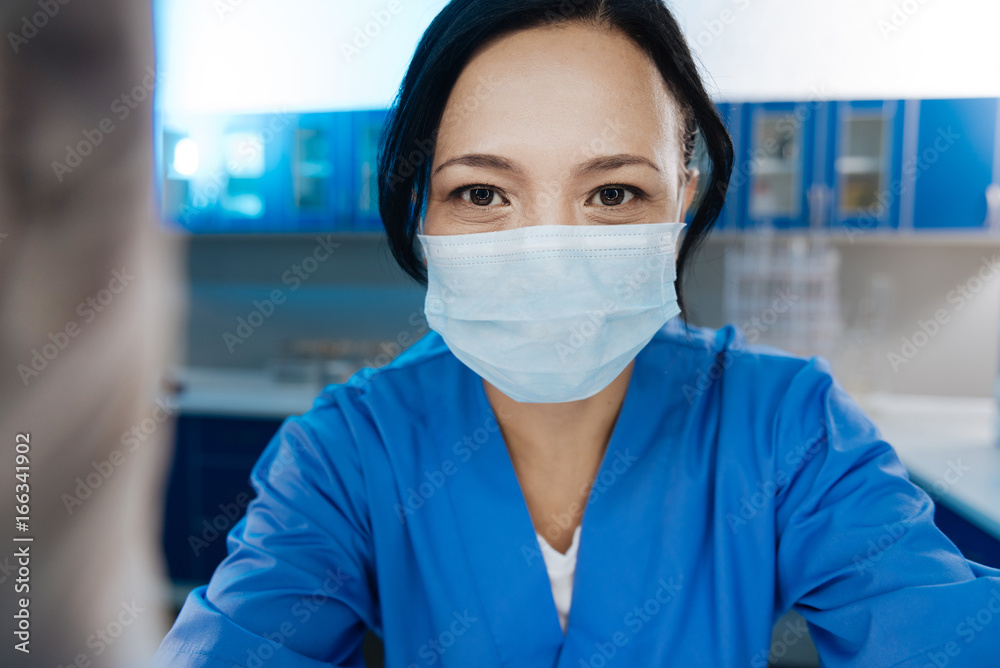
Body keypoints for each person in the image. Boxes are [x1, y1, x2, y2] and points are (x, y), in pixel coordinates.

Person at [154, 1, 1000, 666]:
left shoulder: (784, 425)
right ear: (420, 207)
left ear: (686, 193)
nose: (547, 256)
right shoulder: (349, 451)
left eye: (614, 194)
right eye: (483, 194)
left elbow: (936, 627)